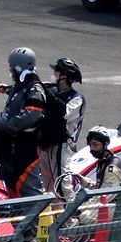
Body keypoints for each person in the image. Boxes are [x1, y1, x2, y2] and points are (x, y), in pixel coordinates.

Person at [0, 47, 45, 242]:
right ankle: (22, 229)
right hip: (12, 149)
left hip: (26, 149)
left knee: (29, 189)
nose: (10, 70)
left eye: (12, 67)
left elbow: (32, 115)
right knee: (12, 188)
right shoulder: (21, 86)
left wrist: (3, 126)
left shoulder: (34, 89)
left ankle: (34, 231)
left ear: (18, 67)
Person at [39, 58, 86, 204]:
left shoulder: (77, 99)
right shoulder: (52, 91)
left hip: (62, 145)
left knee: (62, 183)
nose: (54, 74)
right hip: (47, 142)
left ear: (64, 76)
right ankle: (54, 215)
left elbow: (63, 113)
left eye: (56, 72)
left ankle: (71, 215)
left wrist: (47, 91)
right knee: (47, 184)